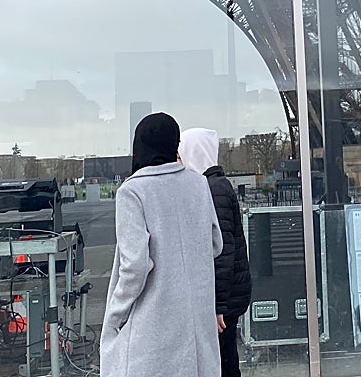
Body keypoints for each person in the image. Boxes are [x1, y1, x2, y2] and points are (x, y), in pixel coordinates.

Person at [100, 113, 222, 377]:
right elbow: (215, 244)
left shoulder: (132, 191)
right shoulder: (199, 184)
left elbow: (135, 266)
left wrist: (115, 315)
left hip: (154, 325)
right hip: (196, 324)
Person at [180, 127, 252, 377]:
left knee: (222, 360)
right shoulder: (216, 185)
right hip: (228, 293)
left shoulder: (211, 189)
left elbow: (221, 253)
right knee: (225, 357)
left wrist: (217, 305)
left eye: (182, 153)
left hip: (223, 297)